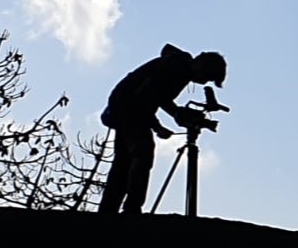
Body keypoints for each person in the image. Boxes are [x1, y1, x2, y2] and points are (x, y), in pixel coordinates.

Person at [97, 44, 227, 214]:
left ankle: (109, 209)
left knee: (124, 161)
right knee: (143, 151)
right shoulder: (176, 68)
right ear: (201, 65)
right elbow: (145, 97)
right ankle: (132, 207)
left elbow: (159, 97)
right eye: (206, 77)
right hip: (127, 108)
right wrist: (158, 126)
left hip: (125, 107)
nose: (204, 82)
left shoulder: (180, 67)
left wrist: (176, 113)